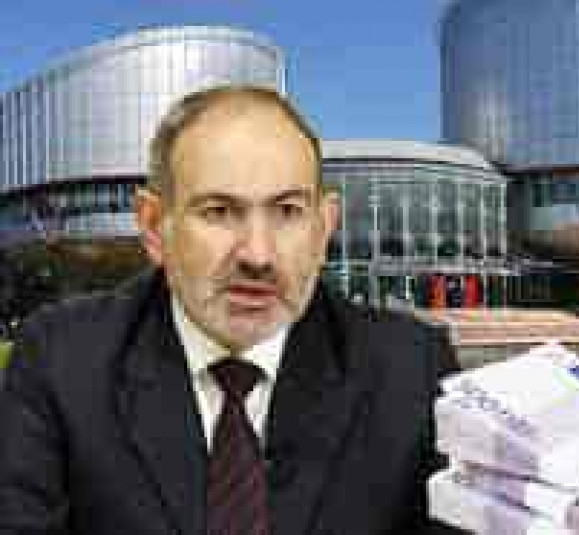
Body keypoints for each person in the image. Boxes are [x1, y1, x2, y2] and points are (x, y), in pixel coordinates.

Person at [0, 85, 465, 534]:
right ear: (154, 226)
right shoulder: (62, 363)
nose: (257, 255)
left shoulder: (414, 371)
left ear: (324, 228)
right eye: (219, 211)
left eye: (287, 211)